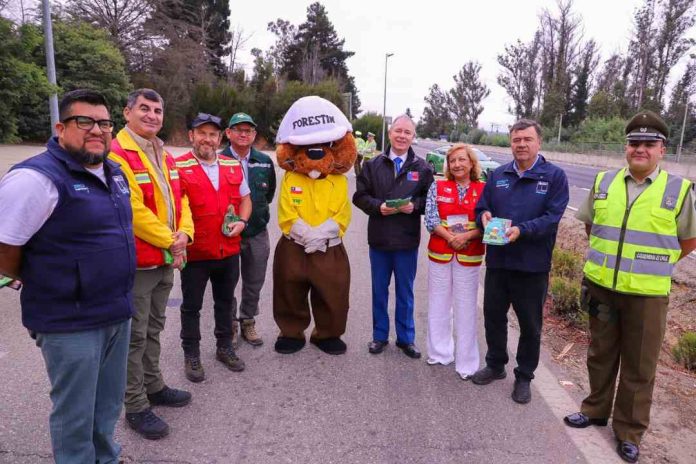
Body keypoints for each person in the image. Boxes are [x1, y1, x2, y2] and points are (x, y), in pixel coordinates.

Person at [0, 89, 135, 463]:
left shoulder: (114, 172)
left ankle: (105, 459)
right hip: (69, 321)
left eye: (105, 123)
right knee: (75, 415)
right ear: (61, 128)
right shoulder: (35, 178)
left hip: (116, 313)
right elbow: (5, 247)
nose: (98, 130)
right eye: (85, 122)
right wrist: (34, 277)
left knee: (106, 408)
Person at [563, 111, 696, 464]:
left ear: (662, 149)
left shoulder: (678, 190)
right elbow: (592, 228)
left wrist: (655, 265)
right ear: (626, 147)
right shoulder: (604, 181)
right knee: (600, 355)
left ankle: (629, 432)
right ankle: (594, 410)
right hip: (603, 286)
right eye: (634, 143)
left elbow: (688, 239)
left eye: (648, 144)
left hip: (647, 295)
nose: (640, 149)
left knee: (640, 366)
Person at [109, 88, 194, 440]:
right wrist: (171, 241)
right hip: (140, 261)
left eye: (157, 110)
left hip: (165, 259)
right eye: (144, 109)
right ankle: (136, 404)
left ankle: (154, 385)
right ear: (127, 112)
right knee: (135, 335)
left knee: (155, 327)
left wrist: (185, 233)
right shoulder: (117, 154)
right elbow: (132, 210)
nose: (152, 116)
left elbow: (182, 198)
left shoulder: (164, 154)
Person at [472, 119, 569, 404]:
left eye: (527, 139)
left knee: (530, 325)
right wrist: (484, 217)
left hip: (532, 265)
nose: (521, 144)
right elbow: (482, 206)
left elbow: (552, 219)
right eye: (516, 140)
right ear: (510, 143)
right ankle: (496, 364)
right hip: (499, 262)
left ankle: (524, 376)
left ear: (539, 142)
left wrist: (521, 231)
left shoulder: (554, 177)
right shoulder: (498, 174)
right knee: (493, 316)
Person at [175, 113, 252, 382]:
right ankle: (192, 353)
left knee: (225, 302)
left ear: (220, 138)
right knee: (191, 306)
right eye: (202, 133)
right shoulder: (178, 166)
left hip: (228, 250)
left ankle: (224, 347)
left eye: (213, 134)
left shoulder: (232, 164)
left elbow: (246, 199)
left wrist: (243, 221)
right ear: (191, 136)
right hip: (196, 253)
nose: (208, 139)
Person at [353, 114, 434, 358]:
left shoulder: (422, 168)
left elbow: (430, 201)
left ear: (413, 137)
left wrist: (415, 206)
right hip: (379, 239)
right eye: (398, 131)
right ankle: (379, 336)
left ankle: (406, 338)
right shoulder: (372, 165)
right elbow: (359, 196)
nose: (402, 136)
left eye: (407, 132)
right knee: (379, 290)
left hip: (407, 241)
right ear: (389, 134)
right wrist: (378, 207)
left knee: (405, 292)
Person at [424, 144, 485, 380]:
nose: (457, 164)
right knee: (438, 305)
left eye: (462, 160)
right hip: (440, 253)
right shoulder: (437, 186)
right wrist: (451, 237)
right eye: (452, 161)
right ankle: (440, 353)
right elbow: (431, 218)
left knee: (466, 307)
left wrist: (466, 237)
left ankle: (467, 362)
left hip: (469, 254)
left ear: (471, 163)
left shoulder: (484, 189)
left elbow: (486, 222)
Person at [222, 112, 276, 347]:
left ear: (254, 135)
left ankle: (247, 320)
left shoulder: (264, 160)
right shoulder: (219, 160)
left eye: (249, 130)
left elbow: (269, 193)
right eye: (239, 130)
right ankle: (230, 324)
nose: (244, 134)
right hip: (227, 234)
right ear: (228, 133)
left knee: (254, 281)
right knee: (227, 282)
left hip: (256, 232)